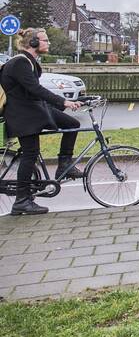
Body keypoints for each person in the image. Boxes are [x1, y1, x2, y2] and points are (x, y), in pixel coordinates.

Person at [0, 27, 83, 215]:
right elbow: (36, 89)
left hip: (34, 110)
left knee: (72, 124)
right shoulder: (20, 63)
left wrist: (73, 102)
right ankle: (21, 201)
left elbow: (34, 92)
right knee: (30, 153)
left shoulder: (29, 61)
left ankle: (64, 165)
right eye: (45, 40)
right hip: (22, 115)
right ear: (34, 43)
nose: (48, 43)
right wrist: (64, 101)